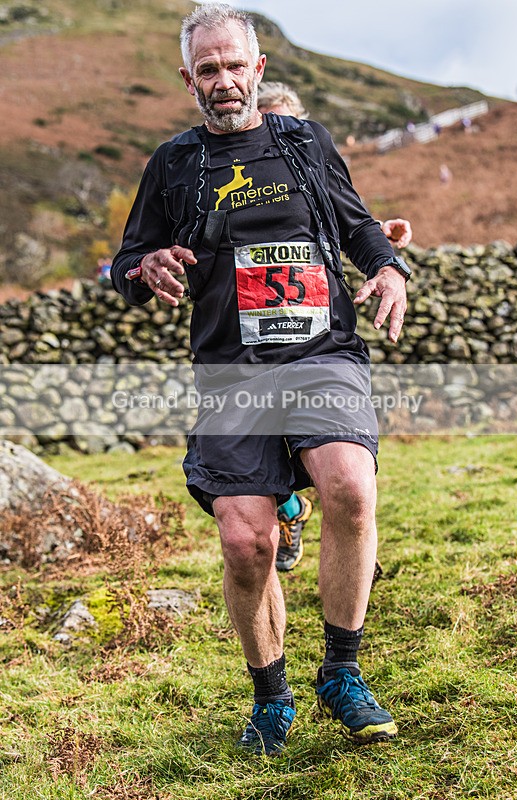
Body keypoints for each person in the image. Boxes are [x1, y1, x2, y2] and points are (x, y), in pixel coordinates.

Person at [111, 3, 411, 756]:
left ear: (258, 69)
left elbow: (357, 223)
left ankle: (342, 671)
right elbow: (126, 264)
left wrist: (387, 266)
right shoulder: (172, 164)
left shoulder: (305, 141)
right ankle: (270, 696)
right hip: (230, 374)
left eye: (234, 65)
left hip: (321, 353)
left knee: (349, 484)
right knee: (247, 542)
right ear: (188, 79)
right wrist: (144, 267)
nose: (223, 81)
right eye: (206, 70)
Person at [257, 81, 412, 573]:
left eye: (282, 118)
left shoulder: (311, 152)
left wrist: (379, 237)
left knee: (340, 459)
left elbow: (342, 220)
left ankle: (354, 545)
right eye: (264, 117)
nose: (273, 131)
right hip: (249, 342)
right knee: (261, 454)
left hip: (319, 335)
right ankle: (293, 511)